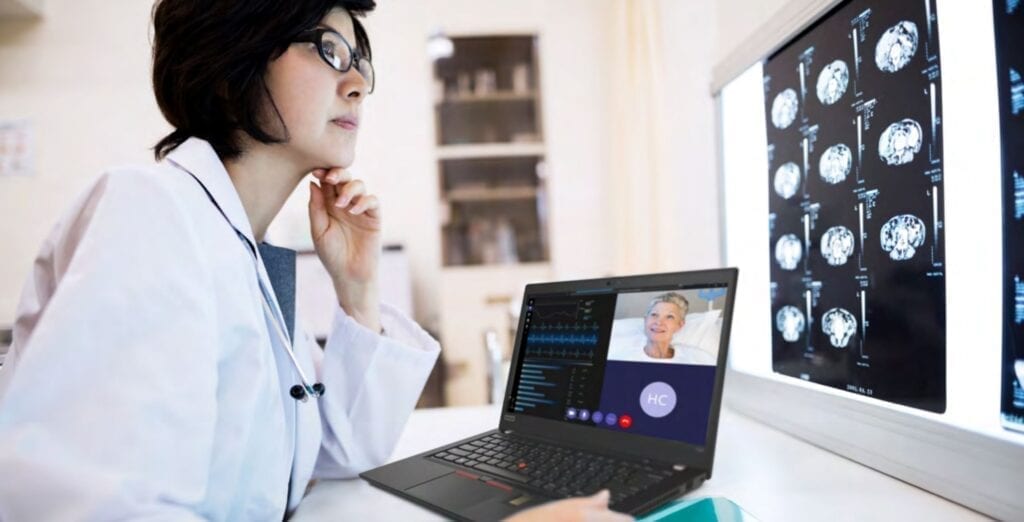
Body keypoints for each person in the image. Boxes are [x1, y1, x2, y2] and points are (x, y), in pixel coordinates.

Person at [0, 1, 628, 520]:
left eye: (360, 62)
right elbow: (96, 507)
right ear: (232, 61)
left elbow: (339, 452)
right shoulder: (150, 212)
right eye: (328, 51)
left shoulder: (244, 251)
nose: (357, 83)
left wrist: (357, 287)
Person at [641, 293, 689, 360]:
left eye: (669, 317)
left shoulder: (694, 357)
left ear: (680, 325)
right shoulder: (627, 355)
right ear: (645, 320)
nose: (659, 322)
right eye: (654, 314)